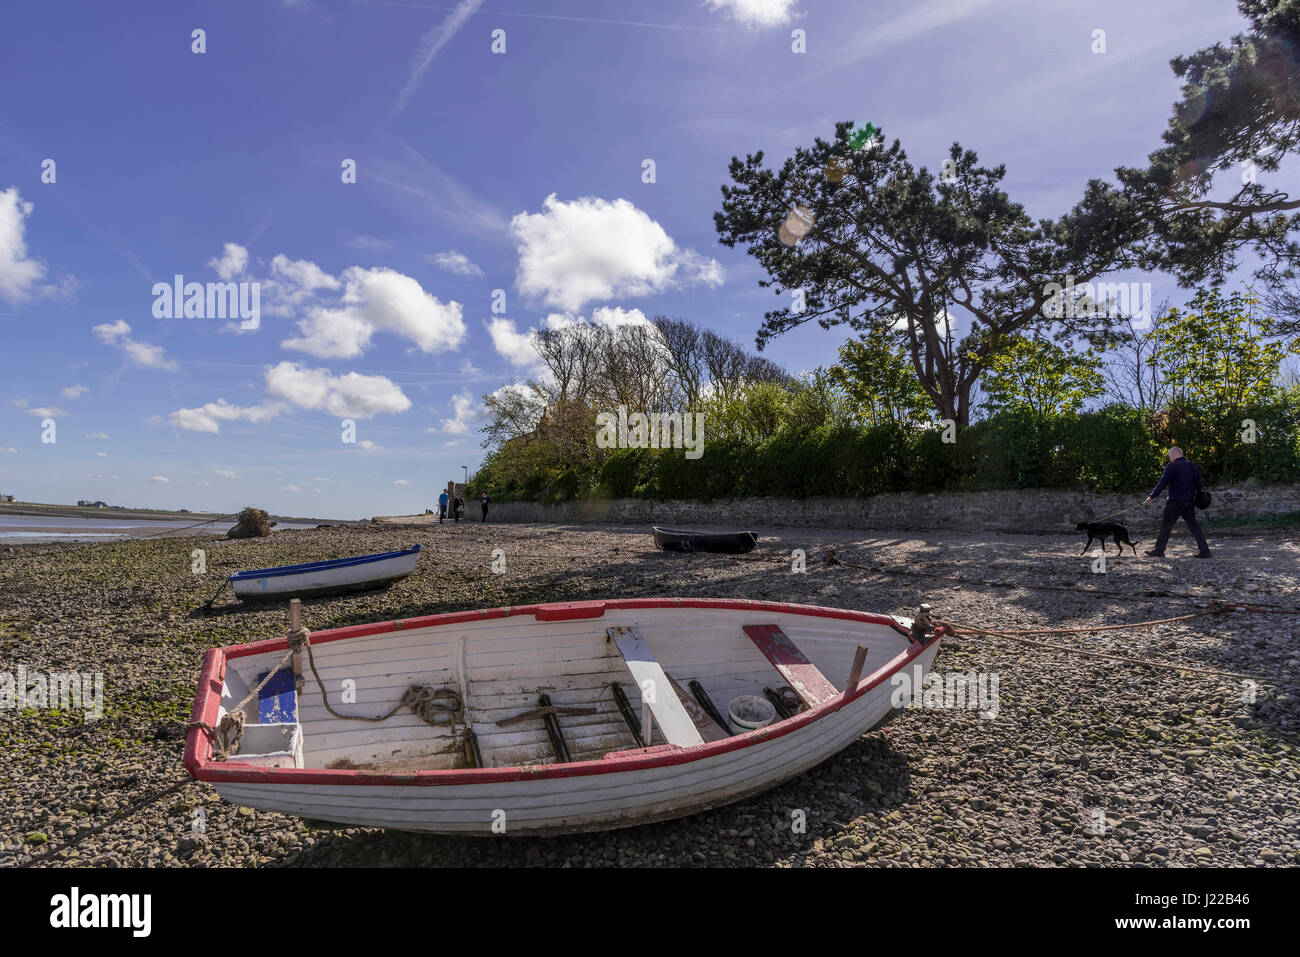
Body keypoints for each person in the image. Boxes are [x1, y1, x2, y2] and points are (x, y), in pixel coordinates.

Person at [1143, 446, 1211, 558]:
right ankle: (1205, 551)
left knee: (1166, 526)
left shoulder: (1172, 466)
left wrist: (1152, 496)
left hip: (1174, 502)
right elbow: (1199, 484)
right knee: (1194, 527)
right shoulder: (1192, 466)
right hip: (1189, 502)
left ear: (1174, 455)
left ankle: (1159, 550)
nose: (1170, 458)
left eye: (1170, 456)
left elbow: (1162, 483)